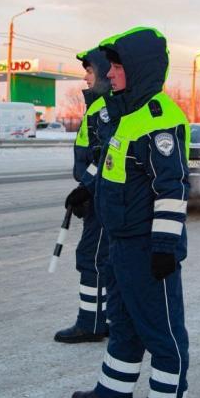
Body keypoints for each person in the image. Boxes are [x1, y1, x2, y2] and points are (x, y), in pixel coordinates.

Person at [68, 27, 191, 398]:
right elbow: (115, 171)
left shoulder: (159, 118)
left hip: (148, 248)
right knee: (123, 322)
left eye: (118, 66)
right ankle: (115, 391)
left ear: (138, 69)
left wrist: (164, 247)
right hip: (121, 242)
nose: (111, 73)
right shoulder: (126, 114)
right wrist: (87, 193)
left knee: (161, 327)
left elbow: (170, 190)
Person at [54, 48, 113, 343]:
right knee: (104, 259)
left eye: (90, 72)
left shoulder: (105, 109)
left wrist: (84, 188)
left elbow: (104, 158)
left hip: (103, 196)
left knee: (92, 258)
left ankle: (90, 323)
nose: (85, 77)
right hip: (98, 195)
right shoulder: (98, 106)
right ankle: (105, 319)